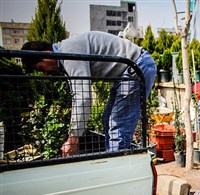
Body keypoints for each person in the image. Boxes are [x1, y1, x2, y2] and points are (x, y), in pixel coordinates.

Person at [21, 31, 157, 157]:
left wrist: (73, 138)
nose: (45, 73)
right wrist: (74, 134)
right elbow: (77, 95)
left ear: (47, 54)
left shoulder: (69, 54)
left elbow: (83, 98)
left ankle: (115, 168)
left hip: (138, 66)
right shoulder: (66, 55)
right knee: (107, 118)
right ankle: (113, 159)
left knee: (118, 122)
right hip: (127, 71)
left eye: (41, 68)